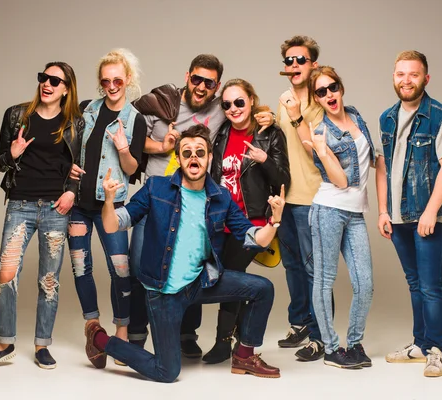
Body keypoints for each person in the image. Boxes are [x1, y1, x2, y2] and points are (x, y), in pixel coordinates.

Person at [84, 124, 283, 382]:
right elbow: (113, 224)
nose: (193, 158)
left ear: (210, 158)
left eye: (200, 152)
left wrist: (273, 222)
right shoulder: (157, 187)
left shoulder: (220, 196)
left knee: (263, 288)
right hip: (164, 291)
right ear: (178, 158)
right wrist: (109, 201)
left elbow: (253, 238)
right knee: (167, 372)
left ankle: (244, 355)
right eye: (186, 152)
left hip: (201, 282)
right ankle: (99, 339)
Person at [127, 54, 274, 357]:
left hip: (194, 201)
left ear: (216, 86)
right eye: (197, 79)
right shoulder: (161, 102)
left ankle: (185, 335)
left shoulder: (221, 108)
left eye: (209, 83)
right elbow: (127, 133)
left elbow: (245, 108)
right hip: (156, 200)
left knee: (194, 263)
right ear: (187, 76)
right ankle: (137, 334)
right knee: (141, 268)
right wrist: (160, 146)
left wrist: (267, 115)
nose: (201, 87)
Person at [0, 62, 84, 370]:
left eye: (54, 80)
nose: (46, 84)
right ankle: (4, 343)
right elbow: (0, 161)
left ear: (66, 88)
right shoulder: (16, 115)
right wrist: (12, 153)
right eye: (43, 78)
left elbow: (80, 164)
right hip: (20, 205)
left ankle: (42, 346)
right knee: (5, 274)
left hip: (55, 208)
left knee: (48, 281)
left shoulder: (74, 123)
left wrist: (71, 192)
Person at [282, 66, 376, 369]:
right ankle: (333, 349)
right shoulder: (320, 130)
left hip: (356, 213)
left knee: (365, 283)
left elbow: (373, 160)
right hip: (328, 210)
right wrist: (322, 153)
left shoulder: (356, 115)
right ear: (316, 98)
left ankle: (355, 344)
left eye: (332, 87)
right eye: (320, 92)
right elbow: (340, 181)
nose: (328, 95)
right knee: (323, 280)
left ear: (341, 87)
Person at [378, 51, 442, 378]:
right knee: (414, 284)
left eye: (413, 75)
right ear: (394, 77)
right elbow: (382, 166)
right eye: (400, 74)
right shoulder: (387, 117)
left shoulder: (441, 116)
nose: (406, 80)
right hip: (398, 216)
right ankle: (419, 344)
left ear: (426, 79)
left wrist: (431, 212)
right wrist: (383, 210)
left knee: (431, 285)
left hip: (429, 216)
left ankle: (435, 351)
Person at [67, 49, 146, 363]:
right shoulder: (87, 109)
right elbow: (72, 148)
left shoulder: (134, 119)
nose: (112, 85)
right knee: (80, 268)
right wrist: (69, 168)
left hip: (110, 208)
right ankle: (92, 328)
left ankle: (121, 334)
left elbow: (130, 169)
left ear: (127, 79)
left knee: (121, 271)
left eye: (117, 79)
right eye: (105, 80)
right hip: (78, 207)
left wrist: (124, 150)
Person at [203, 78, 290, 364]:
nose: (233, 109)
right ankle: (234, 337)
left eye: (239, 102)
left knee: (229, 276)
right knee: (225, 276)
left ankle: (223, 341)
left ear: (251, 100)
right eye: (227, 104)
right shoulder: (221, 133)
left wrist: (265, 160)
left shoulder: (269, 133)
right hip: (219, 221)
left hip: (251, 223)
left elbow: (282, 181)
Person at [276, 35, 327, 361]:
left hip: (313, 197)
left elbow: (314, 149)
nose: (294, 65)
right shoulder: (283, 99)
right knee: (292, 265)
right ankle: (300, 324)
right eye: (289, 61)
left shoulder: (321, 101)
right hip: (285, 197)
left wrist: (297, 116)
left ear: (313, 65)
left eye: (300, 60)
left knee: (315, 270)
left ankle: (322, 336)